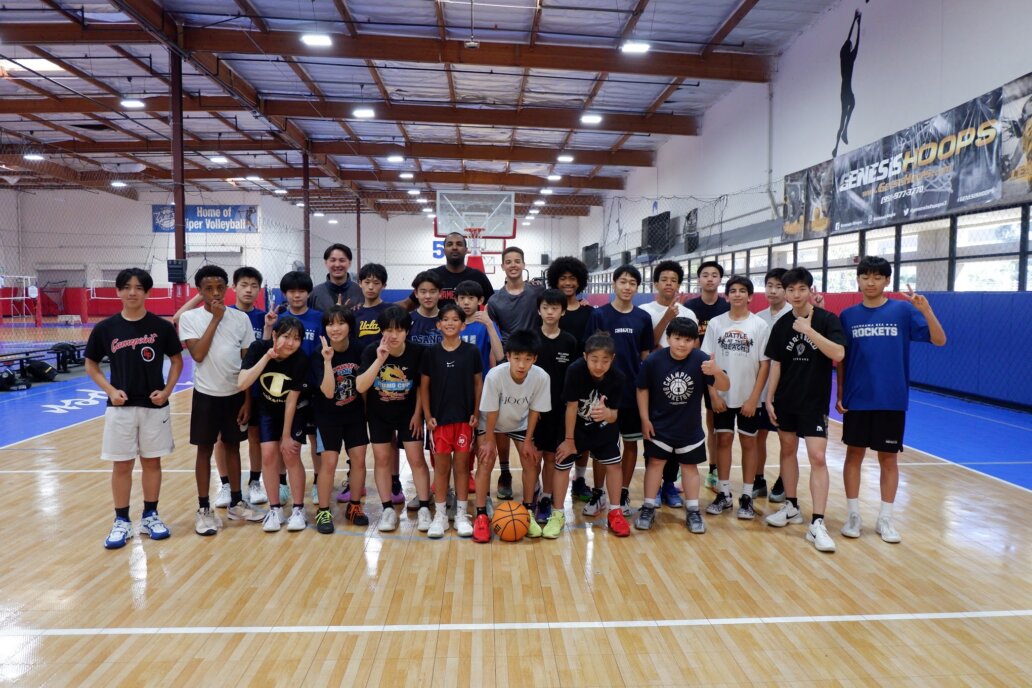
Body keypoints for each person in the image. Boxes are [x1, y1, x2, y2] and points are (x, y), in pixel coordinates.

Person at [837, 257, 946, 544]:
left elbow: (939, 340)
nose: (870, 282)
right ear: (858, 280)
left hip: (891, 398)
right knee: (853, 456)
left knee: (888, 459)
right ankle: (853, 515)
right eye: (865, 277)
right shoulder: (848, 316)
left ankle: (885, 518)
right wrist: (840, 394)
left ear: (887, 280)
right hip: (858, 398)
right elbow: (842, 359)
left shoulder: (903, 311)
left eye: (877, 277)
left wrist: (926, 310)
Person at [86, 267, 183, 549]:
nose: (132, 292)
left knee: (152, 462)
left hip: (154, 406)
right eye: (127, 287)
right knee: (122, 464)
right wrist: (110, 390)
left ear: (147, 292)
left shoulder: (161, 327)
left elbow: (177, 361)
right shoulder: (105, 328)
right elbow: (91, 364)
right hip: (120, 408)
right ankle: (121, 520)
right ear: (118, 291)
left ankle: (150, 515)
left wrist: (167, 391)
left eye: (139, 288)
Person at [763, 267, 846, 553]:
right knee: (787, 450)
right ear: (785, 293)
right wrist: (769, 398)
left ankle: (818, 523)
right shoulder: (781, 324)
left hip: (814, 402)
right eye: (791, 290)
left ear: (811, 290)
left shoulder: (827, 319)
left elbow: (838, 354)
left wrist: (808, 330)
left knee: (818, 457)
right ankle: (791, 507)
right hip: (786, 400)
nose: (796, 295)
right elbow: (776, 364)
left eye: (801, 289)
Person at [171, 266, 269, 506]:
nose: (215, 293)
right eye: (209, 288)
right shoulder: (190, 318)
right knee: (204, 449)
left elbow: (247, 363)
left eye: (219, 288)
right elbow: (198, 354)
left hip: (235, 394)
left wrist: (247, 400)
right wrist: (216, 319)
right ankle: (204, 507)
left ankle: (237, 502)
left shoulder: (241, 319)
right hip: (205, 395)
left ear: (226, 289)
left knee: (233, 447)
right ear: (199, 291)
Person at [636, 318, 729, 533]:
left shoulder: (702, 360)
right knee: (655, 464)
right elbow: (642, 389)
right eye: (677, 338)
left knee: (690, 467)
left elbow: (725, 386)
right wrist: (644, 419)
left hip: (690, 429)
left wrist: (716, 371)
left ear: (695, 341)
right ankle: (648, 507)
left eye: (688, 340)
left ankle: (693, 510)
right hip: (659, 427)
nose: (682, 344)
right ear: (668, 338)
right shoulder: (653, 361)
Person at [583, 264, 654, 517]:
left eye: (632, 283)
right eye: (623, 281)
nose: (627, 287)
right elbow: (590, 352)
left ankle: (622, 492)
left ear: (637, 287)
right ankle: (598, 493)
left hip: (632, 392)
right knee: (602, 446)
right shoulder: (599, 315)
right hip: (604, 393)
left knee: (630, 444)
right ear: (614, 284)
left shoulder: (643, 318)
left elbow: (645, 356)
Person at [701, 276, 770, 521]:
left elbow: (764, 365)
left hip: (749, 398)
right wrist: (713, 394)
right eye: (733, 290)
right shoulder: (716, 323)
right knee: (723, 441)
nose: (737, 294)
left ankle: (747, 496)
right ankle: (724, 493)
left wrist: (754, 398)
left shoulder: (759, 325)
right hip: (722, 396)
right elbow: (707, 362)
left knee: (749, 443)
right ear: (727, 296)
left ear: (750, 296)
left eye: (742, 291)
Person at [473, 329, 551, 543]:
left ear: (535, 359)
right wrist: (490, 440)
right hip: (491, 422)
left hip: (521, 422)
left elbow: (535, 410)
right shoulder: (495, 375)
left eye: (527, 359)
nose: (521, 364)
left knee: (531, 461)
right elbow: (491, 410)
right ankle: (481, 514)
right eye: (517, 358)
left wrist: (528, 441)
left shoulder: (541, 377)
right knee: (485, 461)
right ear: (507, 356)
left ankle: (528, 511)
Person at [356, 306, 429, 533]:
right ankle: (387, 508)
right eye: (388, 330)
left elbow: (421, 387)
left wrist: (418, 414)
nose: (393, 335)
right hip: (379, 415)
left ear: (407, 331)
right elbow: (361, 386)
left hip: (409, 414)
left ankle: (424, 507)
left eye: (399, 330)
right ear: (381, 331)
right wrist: (380, 360)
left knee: (416, 458)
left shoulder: (418, 352)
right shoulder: (371, 351)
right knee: (382, 459)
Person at [551, 333, 628, 538]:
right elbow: (571, 406)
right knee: (562, 464)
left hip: (603, 428)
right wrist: (569, 441)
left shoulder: (618, 378)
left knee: (614, 465)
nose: (599, 365)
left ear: (612, 359)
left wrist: (607, 413)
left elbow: (615, 415)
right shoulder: (575, 370)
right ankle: (557, 514)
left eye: (605, 360)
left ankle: (615, 512)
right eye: (594, 360)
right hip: (574, 428)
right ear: (585, 357)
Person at [238, 317, 311, 534]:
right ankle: (275, 509)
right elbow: (242, 382)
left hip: (294, 410)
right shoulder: (258, 348)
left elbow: (291, 401)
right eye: (286, 336)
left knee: (290, 454)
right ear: (275, 335)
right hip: (267, 409)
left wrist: (286, 436)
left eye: (296, 338)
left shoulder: (300, 359)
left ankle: (298, 509)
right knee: (268, 455)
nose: (291, 343)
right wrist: (267, 356)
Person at [420, 303, 483, 539]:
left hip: (465, 419)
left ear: (463, 325)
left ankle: (461, 514)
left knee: (463, 467)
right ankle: (440, 515)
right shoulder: (431, 353)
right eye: (445, 319)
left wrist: (476, 411)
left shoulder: (471, 352)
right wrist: (427, 415)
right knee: (441, 468)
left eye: (455, 319)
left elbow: (478, 383)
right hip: (440, 421)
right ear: (438, 324)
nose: (450, 323)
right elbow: (424, 387)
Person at [639, 259, 698, 509]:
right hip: (654, 380)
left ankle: (669, 485)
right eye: (664, 279)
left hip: (681, 382)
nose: (669, 284)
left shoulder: (689, 313)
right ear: (656, 283)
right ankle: (653, 489)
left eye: (674, 280)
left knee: (678, 434)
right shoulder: (645, 311)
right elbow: (648, 344)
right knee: (655, 435)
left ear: (679, 285)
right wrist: (667, 317)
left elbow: (694, 348)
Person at [486, 246, 543, 499]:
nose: (513, 265)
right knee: (501, 423)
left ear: (523, 264)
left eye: (517, 261)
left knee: (532, 417)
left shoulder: (536, 292)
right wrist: (496, 365)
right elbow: (493, 335)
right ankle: (506, 472)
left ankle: (533, 477)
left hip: (533, 360)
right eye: (508, 261)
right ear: (502, 266)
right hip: (507, 361)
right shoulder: (495, 301)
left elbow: (556, 305)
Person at [312, 307, 370, 534]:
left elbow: (364, 386)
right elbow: (328, 392)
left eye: (340, 323)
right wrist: (328, 361)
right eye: (330, 324)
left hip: (355, 415)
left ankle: (354, 506)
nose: (335, 329)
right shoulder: (319, 353)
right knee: (329, 462)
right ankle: (323, 511)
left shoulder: (360, 349)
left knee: (359, 460)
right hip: (327, 416)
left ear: (350, 326)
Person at [545, 256, 595, 502]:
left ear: (580, 282)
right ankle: (547, 489)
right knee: (552, 436)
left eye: (572, 279)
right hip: (553, 380)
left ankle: (580, 479)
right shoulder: (550, 309)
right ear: (555, 280)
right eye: (563, 278)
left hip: (581, 380)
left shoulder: (588, 312)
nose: (567, 283)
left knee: (581, 435)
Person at [274, 271, 323, 503]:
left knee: (315, 440)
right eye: (292, 291)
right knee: (284, 441)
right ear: (285, 293)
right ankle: (282, 482)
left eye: (301, 291)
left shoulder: (319, 318)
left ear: (308, 293)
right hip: (284, 389)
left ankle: (318, 483)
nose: (296, 295)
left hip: (313, 387)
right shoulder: (278, 319)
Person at [531, 289, 579, 525]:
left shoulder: (569, 341)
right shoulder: (530, 338)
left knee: (551, 458)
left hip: (559, 410)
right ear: (539, 311)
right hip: (533, 411)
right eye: (545, 308)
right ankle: (531, 495)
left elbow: (574, 377)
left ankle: (546, 498)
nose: (550, 312)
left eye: (555, 308)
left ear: (563, 311)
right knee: (533, 458)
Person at [685, 260, 730, 493]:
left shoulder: (726, 307)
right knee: (685, 418)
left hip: (717, 370)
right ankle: (678, 470)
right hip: (692, 369)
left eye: (714, 275)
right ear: (699, 279)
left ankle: (713, 469)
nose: (710, 278)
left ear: (720, 279)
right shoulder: (690, 307)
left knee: (714, 423)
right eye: (705, 275)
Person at [754, 268, 791, 503]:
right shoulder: (758, 318)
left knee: (786, 439)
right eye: (769, 285)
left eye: (779, 286)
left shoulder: (795, 315)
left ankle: (784, 480)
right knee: (758, 435)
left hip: (786, 391)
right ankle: (758, 479)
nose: (773, 291)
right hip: (762, 388)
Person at [402, 231, 495, 308]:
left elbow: (494, 306)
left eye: (459, 244)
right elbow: (408, 304)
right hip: (438, 325)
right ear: (444, 251)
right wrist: (391, 309)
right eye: (450, 244)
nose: (454, 247)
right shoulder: (432, 275)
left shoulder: (478, 276)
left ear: (466, 250)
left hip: (470, 325)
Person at [455, 280, 504, 373]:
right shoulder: (452, 325)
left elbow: (500, 356)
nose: (466, 302)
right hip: (457, 378)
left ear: (480, 300)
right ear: (456, 300)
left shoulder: (487, 324)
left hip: (481, 379)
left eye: (471, 298)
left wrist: (489, 325)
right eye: (462, 298)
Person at [309, 243, 363, 311]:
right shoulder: (315, 294)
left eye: (342, 260)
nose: (337, 265)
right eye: (333, 260)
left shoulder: (360, 292)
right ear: (326, 263)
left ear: (349, 263)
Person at [353, 263, 391, 350]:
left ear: (384, 285)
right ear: (360, 283)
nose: (370, 287)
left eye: (376, 283)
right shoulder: (354, 312)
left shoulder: (390, 311)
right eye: (367, 282)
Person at [408, 270, 443, 346]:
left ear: (440, 293)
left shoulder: (447, 320)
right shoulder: (408, 320)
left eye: (432, 292)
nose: (428, 296)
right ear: (416, 293)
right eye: (423, 292)